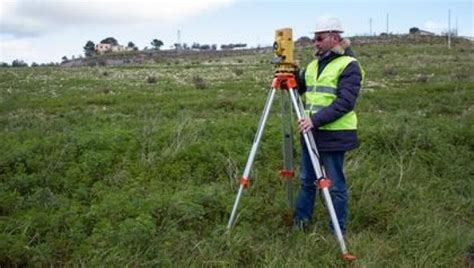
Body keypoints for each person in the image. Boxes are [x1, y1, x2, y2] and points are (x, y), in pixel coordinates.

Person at [294, 17, 365, 233]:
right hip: (311, 133)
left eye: (319, 38)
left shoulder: (349, 65)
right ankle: (301, 224)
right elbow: (301, 89)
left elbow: (345, 102)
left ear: (334, 37)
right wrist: (292, 73)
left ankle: (337, 229)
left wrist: (314, 120)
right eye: (314, 39)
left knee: (335, 186)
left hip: (334, 134)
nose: (315, 42)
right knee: (307, 180)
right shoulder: (314, 64)